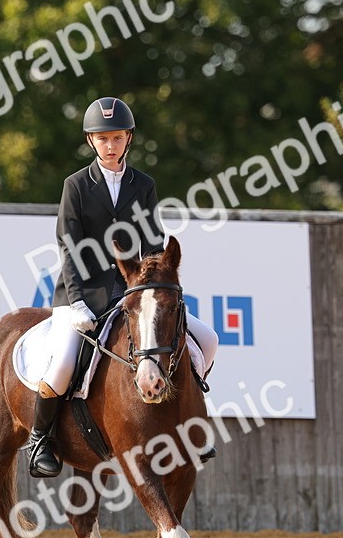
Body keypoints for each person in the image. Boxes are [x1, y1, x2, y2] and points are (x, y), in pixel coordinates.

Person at [26, 97, 219, 478]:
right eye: (102, 139)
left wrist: (154, 280)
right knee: (63, 363)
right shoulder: (76, 186)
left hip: (133, 294)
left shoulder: (143, 185)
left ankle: (191, 424)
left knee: (207, 340)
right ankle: (40, 439)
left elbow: (151, 240)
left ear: (128, 138)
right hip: (81, 295)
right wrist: (77, 302)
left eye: (116, 138)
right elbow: (68, 244)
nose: (110, 146)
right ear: (91, 141)